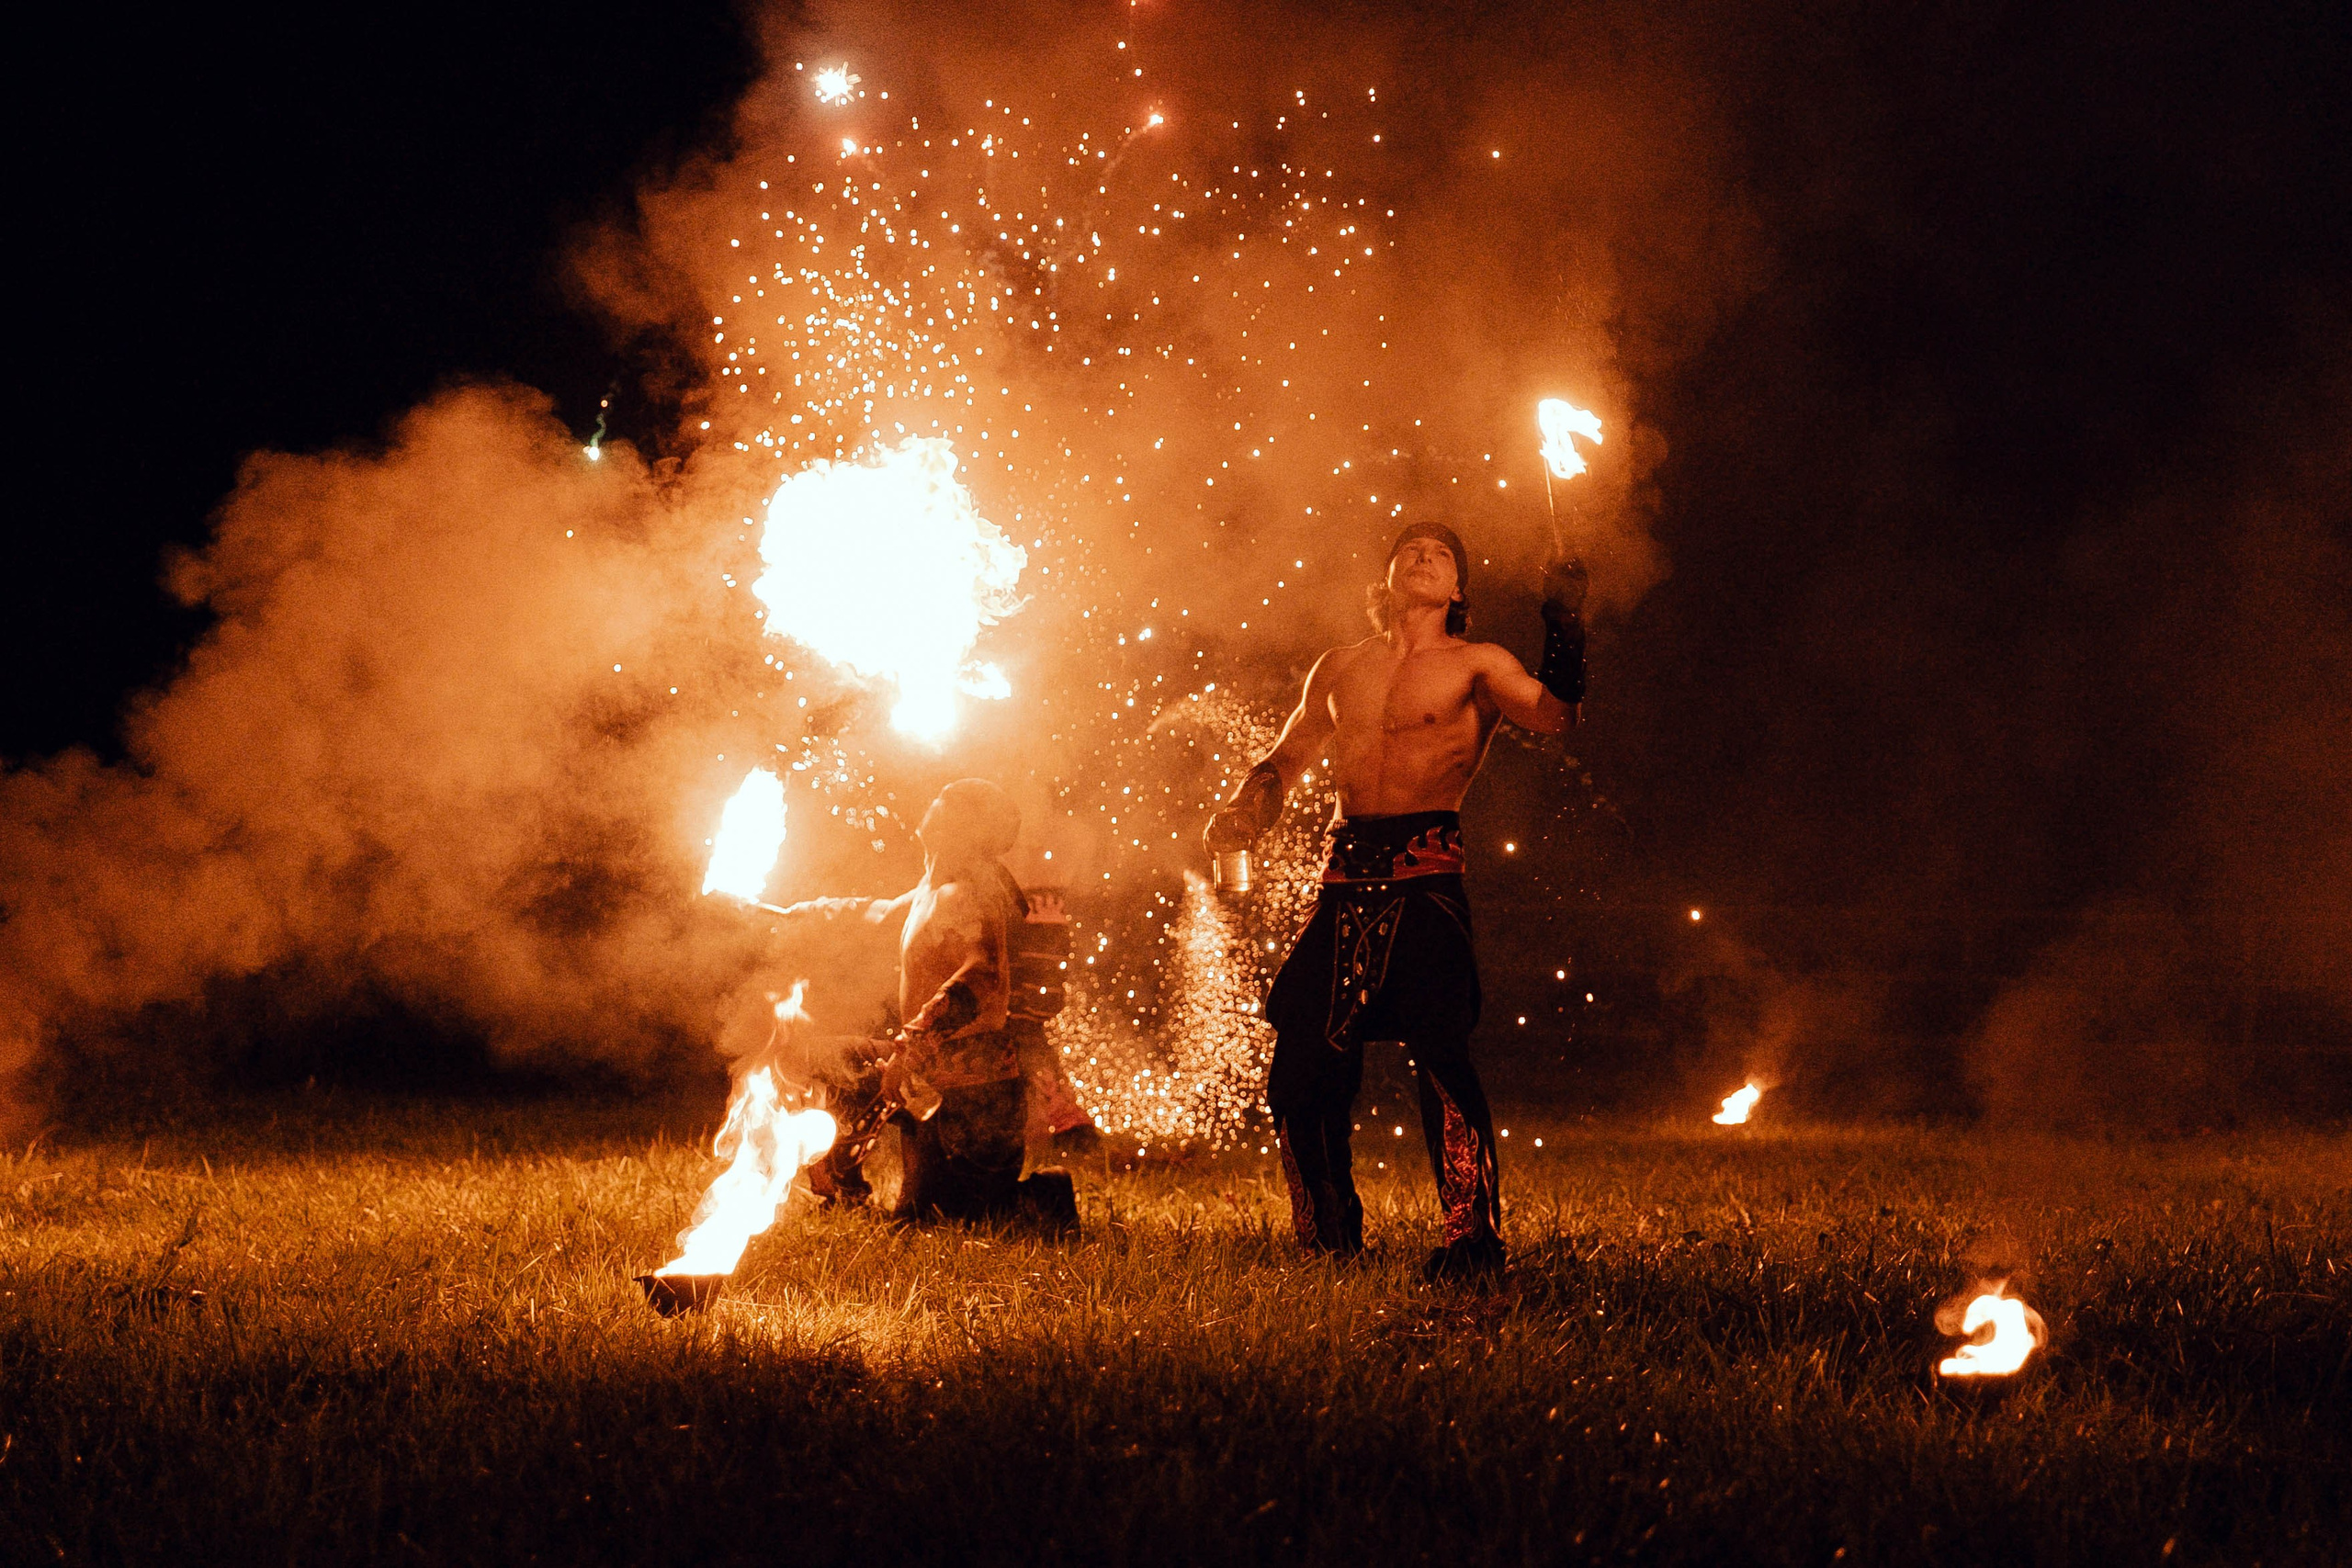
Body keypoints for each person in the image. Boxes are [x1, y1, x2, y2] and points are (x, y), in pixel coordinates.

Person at [1204, 523, 1587, 1280]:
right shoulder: (1339, 667)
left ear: (1457, 591)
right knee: (1300, 1066)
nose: (1422, 554)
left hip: (1427, 881)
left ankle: (1470, 1240)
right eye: (1409, 547)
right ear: (1384, 577)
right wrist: (1245, 810)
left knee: (1441, 1057)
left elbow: (1557, 716)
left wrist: (1566, 619)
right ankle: (1328, 1239)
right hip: (1342, 882)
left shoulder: (1479, 663)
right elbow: (1287, 756)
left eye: (1441, 553)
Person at [788, 778, 1080, 1228]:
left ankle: (1046, 1195)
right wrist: (782, 915)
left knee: (945, 1221)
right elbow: (876, 912)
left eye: (944, 802)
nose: (931, 805)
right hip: (932, 1075)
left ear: (960, 826)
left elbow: (981, 978)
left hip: (975, 1100)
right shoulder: (933, 888)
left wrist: (908, 1052)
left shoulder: (965, 894)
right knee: (823, 1059)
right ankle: (843, 1193)